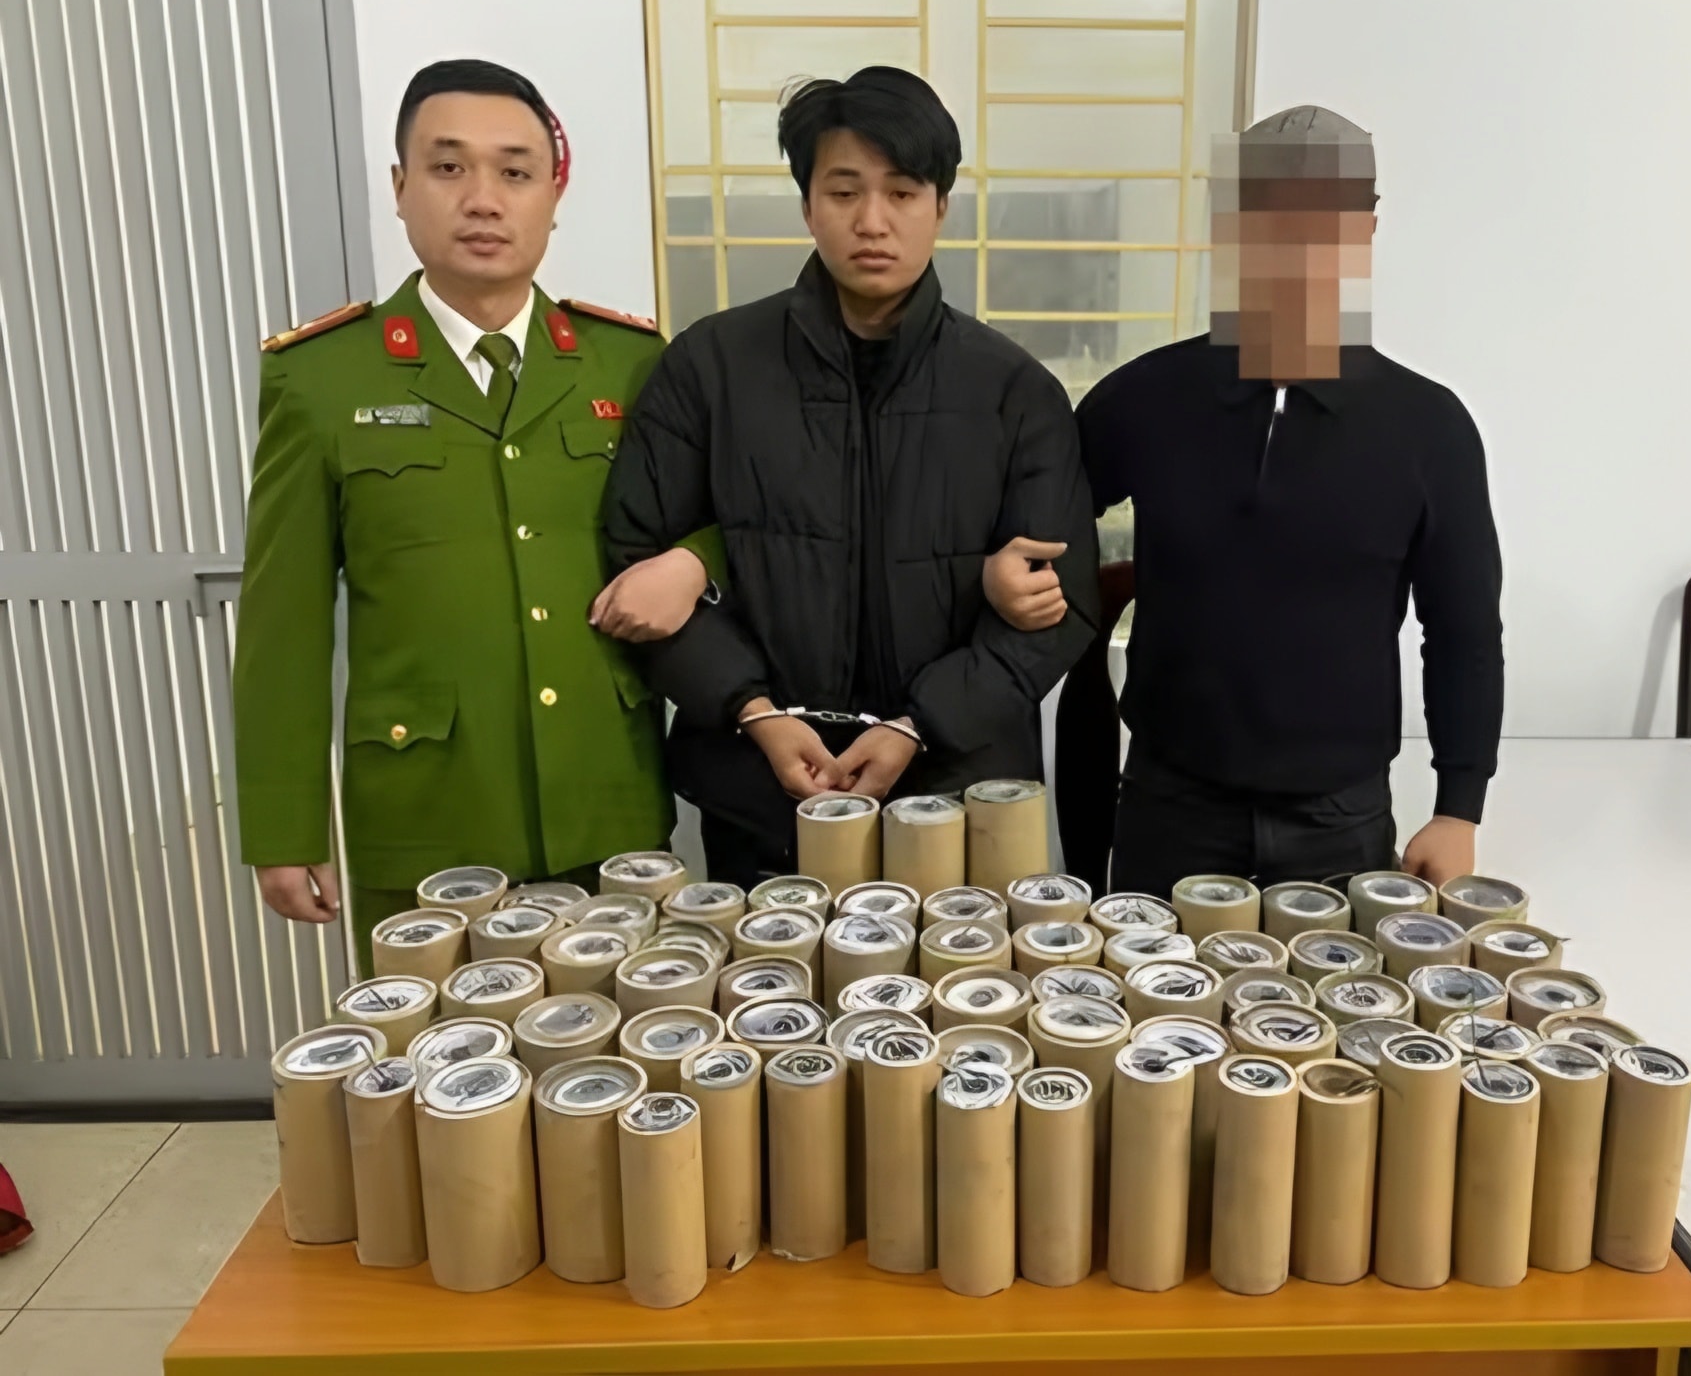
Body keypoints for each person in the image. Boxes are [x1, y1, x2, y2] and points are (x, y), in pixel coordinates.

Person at [234, 58, 721, 970]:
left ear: (554, 194)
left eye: (515, 171)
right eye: (449, 167)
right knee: (428, 1054)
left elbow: (731, 521)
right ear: (400, 188)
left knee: (621, 1044)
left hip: (605, 800)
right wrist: (282, 825)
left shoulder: (628, 363)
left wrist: (694, 564)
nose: (483, 200)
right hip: (425, 815)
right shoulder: (322, 378)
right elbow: (282, 620)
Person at [596, 66, 1098, 881]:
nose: (873, 221)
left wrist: (917, 725)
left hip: (956, 798)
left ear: (941, 205)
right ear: (807, 205)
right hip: (759, 792)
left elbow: (1063, 603)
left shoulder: (1013, 390)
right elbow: (637, 555)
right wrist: (754, 711)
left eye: (902, 192)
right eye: (843, 192)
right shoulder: (710, 367)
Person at [983, 106, 1503, 893]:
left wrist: (1459, 807)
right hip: (1169, 802)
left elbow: (1463, 631)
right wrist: (1004, 568)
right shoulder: (1146, 399)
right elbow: (1038, 517)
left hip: (1340, 814)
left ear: (1363, 231)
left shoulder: (1430, 428)